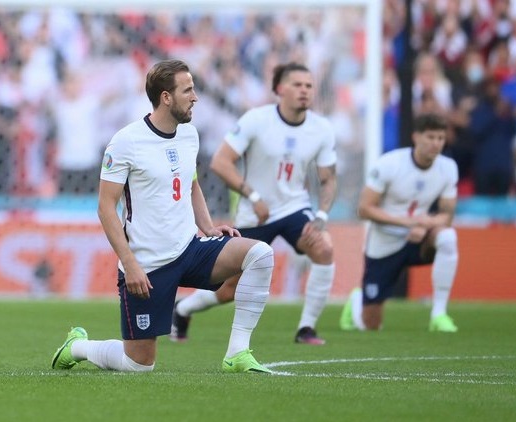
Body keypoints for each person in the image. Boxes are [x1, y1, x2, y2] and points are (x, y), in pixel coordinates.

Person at [50, 59, 275, 373]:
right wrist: (129, 264)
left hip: (190, 249)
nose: (195, 97)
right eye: (188, 90)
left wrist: (208, 227)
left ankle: (237, 353)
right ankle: (78, 346)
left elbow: (190, 183)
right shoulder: (126, 141)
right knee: (139, 364)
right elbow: (105, 208)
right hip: (147, 264)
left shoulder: (189, 135)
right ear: (166, 97)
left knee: (260, 255)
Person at [171, 62, 337, 345]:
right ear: (279, 89)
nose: (304, 91)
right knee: (229, 289)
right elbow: (221, 163)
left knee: (323, 248)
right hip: (256, 213)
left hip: (294, 208)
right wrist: (254, 196)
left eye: (309, 86)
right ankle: (182, 309)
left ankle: (306, 328)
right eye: (297, 85)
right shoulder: (256, 120)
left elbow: (328, 178)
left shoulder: (322, 129)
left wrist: (321, 214)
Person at [340, 113, 459, 332]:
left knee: (447, 236)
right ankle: (358, 300)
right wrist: (408, 223)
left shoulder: (448, 167)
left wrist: (425, 224)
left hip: (419, 238)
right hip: (384, 243)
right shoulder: (389, 164)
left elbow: (447, 215)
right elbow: (364, 209)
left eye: (441, 138)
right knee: (371, 326)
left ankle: (439, 314)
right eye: (431, 137)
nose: (436, 144)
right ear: (416, 137)